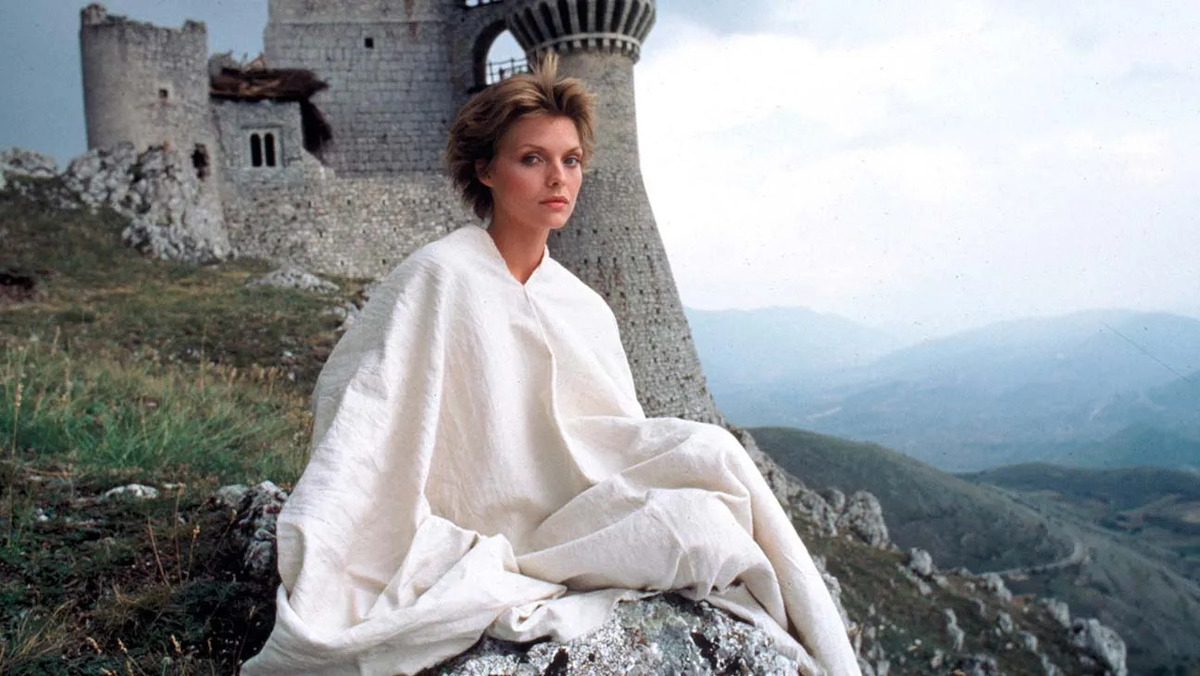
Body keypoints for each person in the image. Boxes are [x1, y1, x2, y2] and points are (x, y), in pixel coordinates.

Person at [241, 54, 860, 676]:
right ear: (486, 170)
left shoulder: (583, 305)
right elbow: (363, 408)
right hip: (477, 523)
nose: (557, 178)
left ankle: (833, 661)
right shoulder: (438, 274)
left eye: (571, 160)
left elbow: (611, 436)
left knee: (709, 490)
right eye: (533, 159)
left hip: (572, 518)